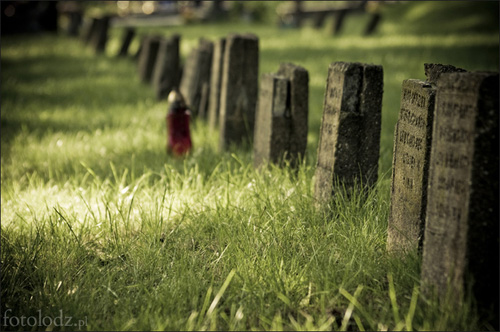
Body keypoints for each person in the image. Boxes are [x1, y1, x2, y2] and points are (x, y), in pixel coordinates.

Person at [166, 89, 192, 156]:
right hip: (185, 144)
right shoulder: (186, 114)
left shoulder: (171, 116)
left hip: (175, 144)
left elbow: (171, 133)